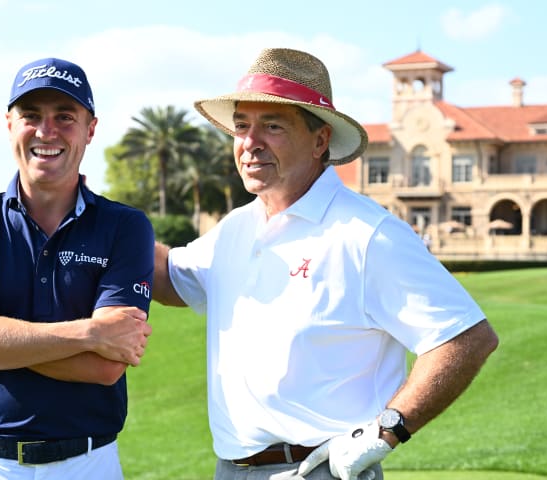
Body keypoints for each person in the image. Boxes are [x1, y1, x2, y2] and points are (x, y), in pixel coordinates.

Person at [152, 48, 499, 480]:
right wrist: (100, 219)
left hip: (319, 469)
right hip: (231, 468)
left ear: (320, 141)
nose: (249, 143)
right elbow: (168, 280)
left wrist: (385, 431)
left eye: (272, 126)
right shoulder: (236, 227)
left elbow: (466, 337)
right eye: (241, 127)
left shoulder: (367, 234)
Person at [0, 57, 154, 479]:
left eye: (65, 117)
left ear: (90, 129)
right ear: (9, 124)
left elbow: (106, 367)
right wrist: (90, 333)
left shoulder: (125, 226)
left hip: (89, 464)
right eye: (31, 115)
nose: (46, 131)